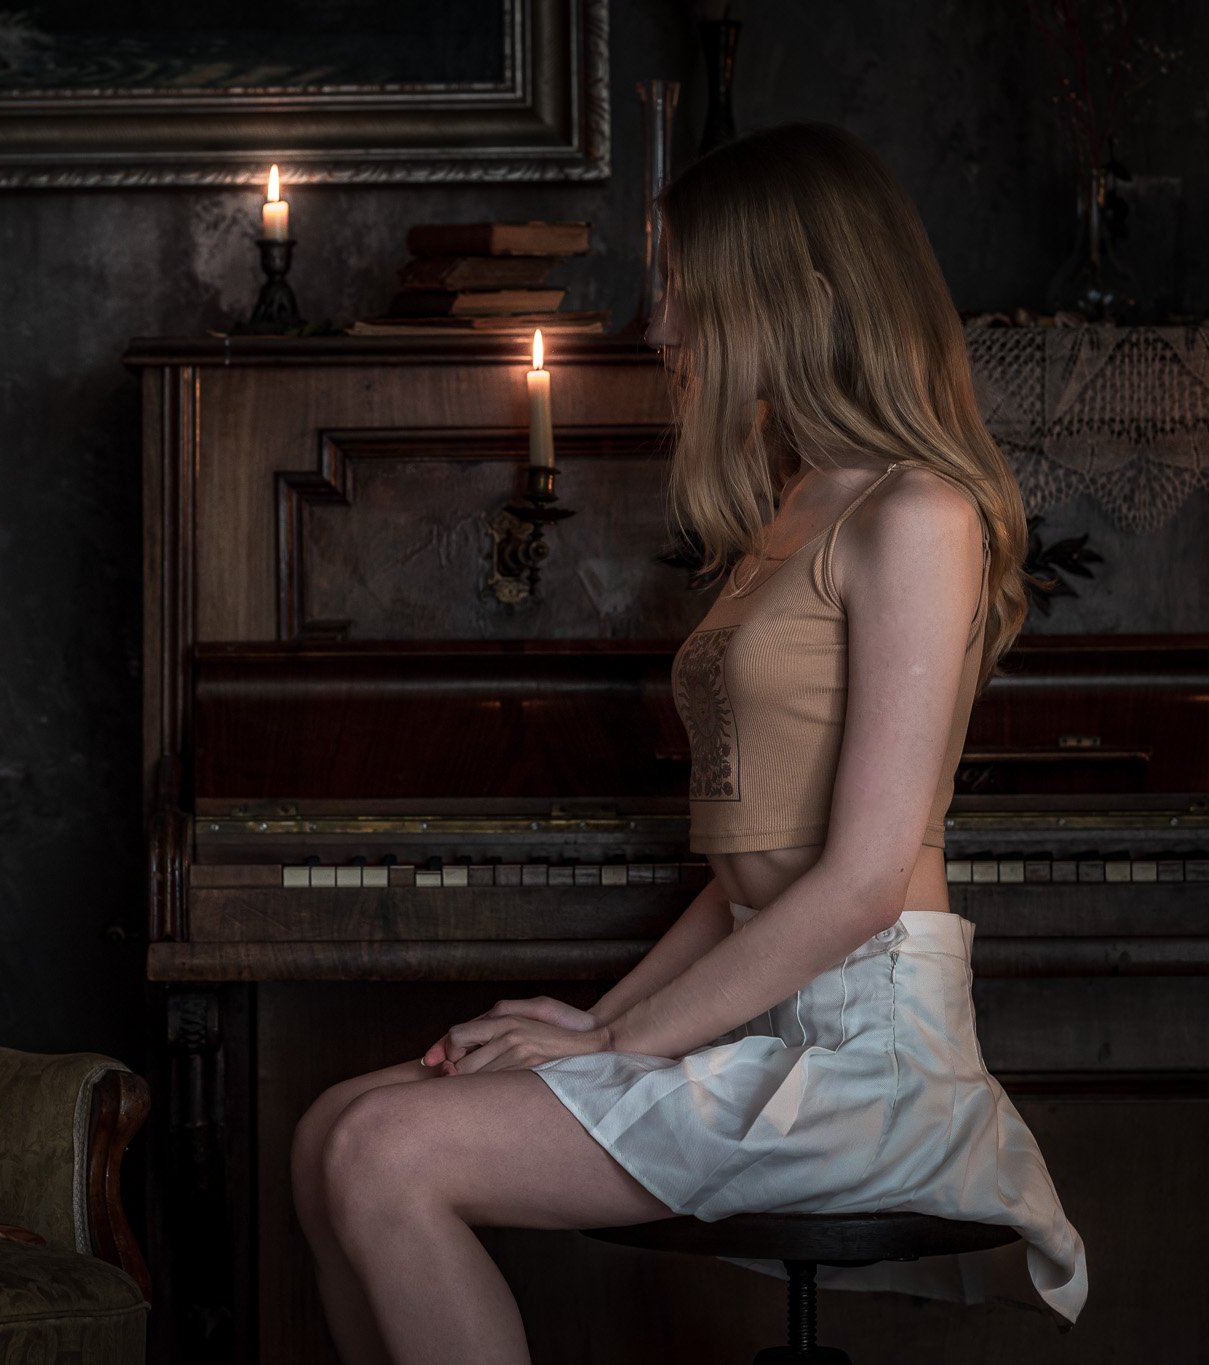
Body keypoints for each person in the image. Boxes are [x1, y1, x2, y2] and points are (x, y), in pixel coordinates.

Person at [288, 122, 1089, 1365]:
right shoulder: (797, 504)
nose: (659, 328)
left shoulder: (915, 512)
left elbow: (863, 875)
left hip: (870, 1061)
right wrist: (595, 1017)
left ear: (797, 295)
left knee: (381, 1152)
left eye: (682, 289)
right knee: (329, 1125)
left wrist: (612, 1042)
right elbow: (745, 875)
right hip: (761, 1021)